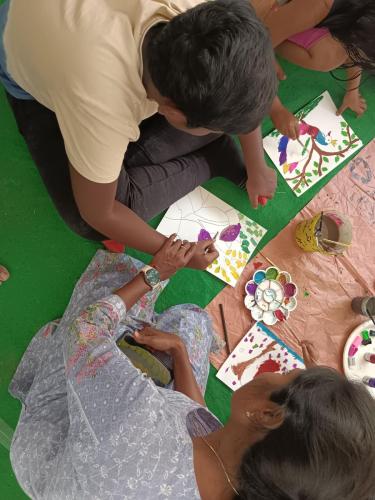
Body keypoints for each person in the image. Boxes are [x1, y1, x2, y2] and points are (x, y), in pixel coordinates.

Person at [9, 239, 375, 499]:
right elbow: (194, 418)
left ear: (267, 413)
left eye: (289, 373)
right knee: (193, 326)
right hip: (125, 442)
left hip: (48, 456)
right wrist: (181, 354)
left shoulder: (138, 416)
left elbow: (86, 331)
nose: (280, 371)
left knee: (113, 289)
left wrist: (155, 273)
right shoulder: (243, 477)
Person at [0, 0, 278, 265]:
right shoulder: (103, 104)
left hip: (59, 24)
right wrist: (174, 251)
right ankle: (211, 159)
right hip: (20, 56)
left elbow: (241, 71)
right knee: (85, 218)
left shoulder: (206, 17)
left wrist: (257, 166)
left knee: (105, 173)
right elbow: (99, 213)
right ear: (172, 112)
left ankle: (211, 143)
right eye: (219, 128)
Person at [252, 0, 375, 139]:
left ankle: (274, 38)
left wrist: (352, 91)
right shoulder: (320, 4)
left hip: (320, 15)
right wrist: (275, 109)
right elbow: (250, 52)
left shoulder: (363, 18)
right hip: (262, 17)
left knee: (335, 54)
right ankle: (273, 40)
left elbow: (356, 48)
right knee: (328, 57)